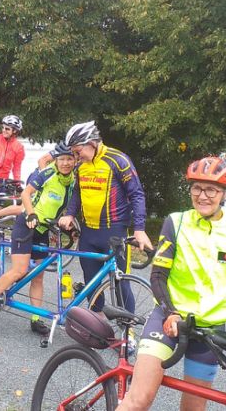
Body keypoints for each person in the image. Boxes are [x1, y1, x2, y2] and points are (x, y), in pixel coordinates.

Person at [117, 156, 226, 411]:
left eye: (211, 190)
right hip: (168, 320)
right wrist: (171, 312)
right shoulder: (176, 223)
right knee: (139, 399)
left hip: (209, 329)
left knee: (194, 408)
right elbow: (158, 275)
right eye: (196, 188)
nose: (202, 196)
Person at [59, 120, 152, 315]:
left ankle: (128, 328)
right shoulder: (81, 166)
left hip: (114, 232)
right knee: (91, 283)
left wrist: (139, 229)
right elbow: (77, 192)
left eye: (78, 151)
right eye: (74, 153)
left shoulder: (118, 160)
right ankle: (97, 322)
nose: (76, 157)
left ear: (91, 143)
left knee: (120, 283)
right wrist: (70, 214)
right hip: (88, 233)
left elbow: (137, 194)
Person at [0, 148, 76, 335]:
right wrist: (31, 213)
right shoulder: (47, 173)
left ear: (75, 161)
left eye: (69, 159)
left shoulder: (72, 181)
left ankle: (36, 319)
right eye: (62, 159)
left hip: (43, 229)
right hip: (27, 223)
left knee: (38, 276)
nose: (65, 163)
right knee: (20, 270)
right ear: (55, 161)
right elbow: (25, 194)